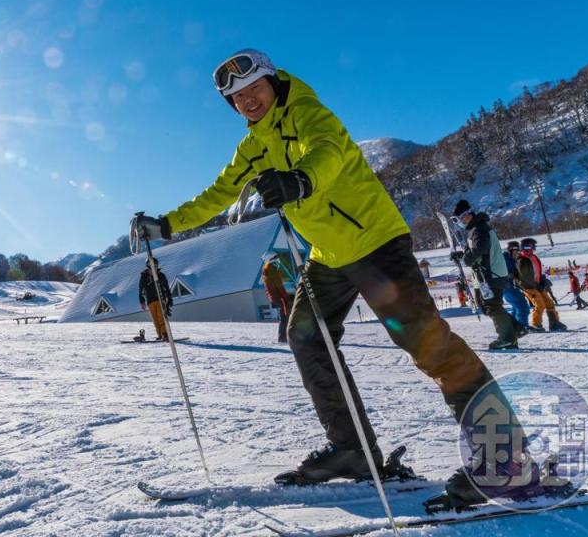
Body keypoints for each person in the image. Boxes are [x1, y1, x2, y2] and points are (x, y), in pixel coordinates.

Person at [131, 48, 531, 506]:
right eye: (237, 97)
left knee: (429, 346)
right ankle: (353, 450)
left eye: (254, 89)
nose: (247, 101)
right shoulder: (252, 146)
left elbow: (327, 153)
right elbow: (220, 192)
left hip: (376, 242)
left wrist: (299, 181)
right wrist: (167, 225)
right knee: (305, 336)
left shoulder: (306, 111)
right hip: (328, 257)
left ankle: (507, 460)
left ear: (272, 82)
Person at [450, 200, 525, 349]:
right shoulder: (475, 229)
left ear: (466, 216)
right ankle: (516, 328)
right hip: (484, 275)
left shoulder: (479, 228)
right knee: (484, 306)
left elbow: (480, 249)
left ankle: (508, 338)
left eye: (458, 220)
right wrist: (462, 255)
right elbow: (477, 251)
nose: (459, 223)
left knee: (492, 306)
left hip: (492, 273)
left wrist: (466, 258)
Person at [516, 238, 568, 331]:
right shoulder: (522, 260)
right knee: (540, 304)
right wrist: (536, 285)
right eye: (531, 246)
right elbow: (525, 276)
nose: (533, 249)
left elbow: (538, 272)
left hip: (537, 285)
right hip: (528, 286)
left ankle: (554, 323)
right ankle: (536, 325)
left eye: (533, 246)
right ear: (525, 247)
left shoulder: (534, 257)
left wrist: (542, 280)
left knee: (549, 303)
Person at [262, 253, 292, 342]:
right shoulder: (272, 269)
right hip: (279, 297)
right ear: (270, 259)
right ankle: (283, 338)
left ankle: (283, 337)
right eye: (275, 257)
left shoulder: (266, 270)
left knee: (284, 317)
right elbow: (279, 286)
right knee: (284, 318)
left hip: (275, 297)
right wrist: (286, 297)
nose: (277, 259)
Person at [502, 241, 531, 332]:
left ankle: (514, 326)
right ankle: (522, 327)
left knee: (516, 307)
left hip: (509, 285)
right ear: (510, 251)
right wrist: (511, 275)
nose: (517, 253)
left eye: (518, 251)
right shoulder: (505, 259)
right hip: (506, 286)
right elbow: (502, 272)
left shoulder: (511, 259)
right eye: (515, 251)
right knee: (522, 305)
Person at [139, 261, 172, 341]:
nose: (155, 267)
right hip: (150, 300)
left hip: (160, 299)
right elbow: (140, 290)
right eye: (153, 266)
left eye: (156, 266)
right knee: (155, 319)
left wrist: (169, 299)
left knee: (161, 317)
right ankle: (160, 335)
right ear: (148, 266)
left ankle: (165, 334)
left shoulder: (161, 275)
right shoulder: (144, 277)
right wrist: (142, 301)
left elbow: (167, 288)